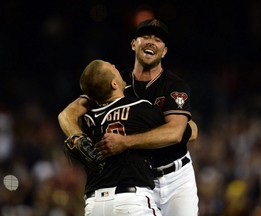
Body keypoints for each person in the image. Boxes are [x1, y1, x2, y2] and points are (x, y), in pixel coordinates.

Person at [58, 18, 199, 216]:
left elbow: (180, 133)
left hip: (175, 177)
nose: (151, 41)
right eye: (146, 36)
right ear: (134, 44)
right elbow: (67, 114)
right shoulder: (114, 82)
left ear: (164, 51)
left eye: (158, 39)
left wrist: (126, 142)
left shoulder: (174, 85)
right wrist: (77, 136)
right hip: (138, 181)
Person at [59, 59, 164, 216]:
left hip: (93, 204)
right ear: (114, 85)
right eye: (113, 68)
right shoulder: (141, 108)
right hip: (130, 200)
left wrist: (78, 137)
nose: (117, 67)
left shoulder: (87, 117)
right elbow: (183, 131)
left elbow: (66, 114)